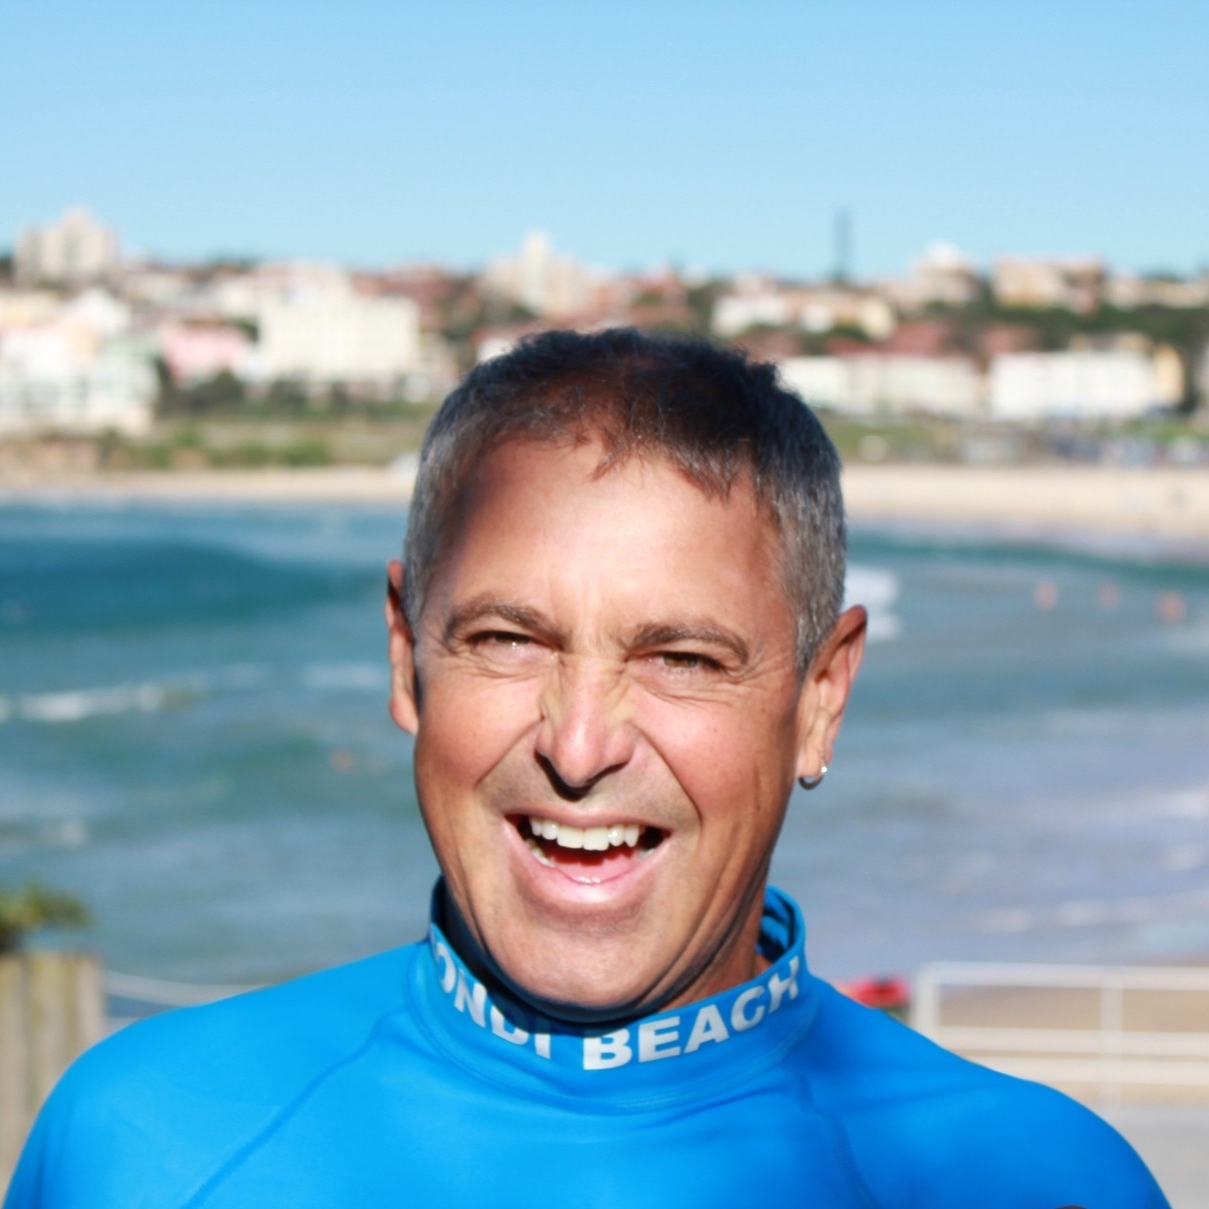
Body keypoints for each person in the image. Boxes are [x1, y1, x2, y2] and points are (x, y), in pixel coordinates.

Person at [6, 330, 1168, 1208]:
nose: (577, 745)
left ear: (821, 700)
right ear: (408, 657)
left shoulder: (1038, 1179)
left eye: (682, 658)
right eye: (509, 640)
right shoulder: (143, 1144)